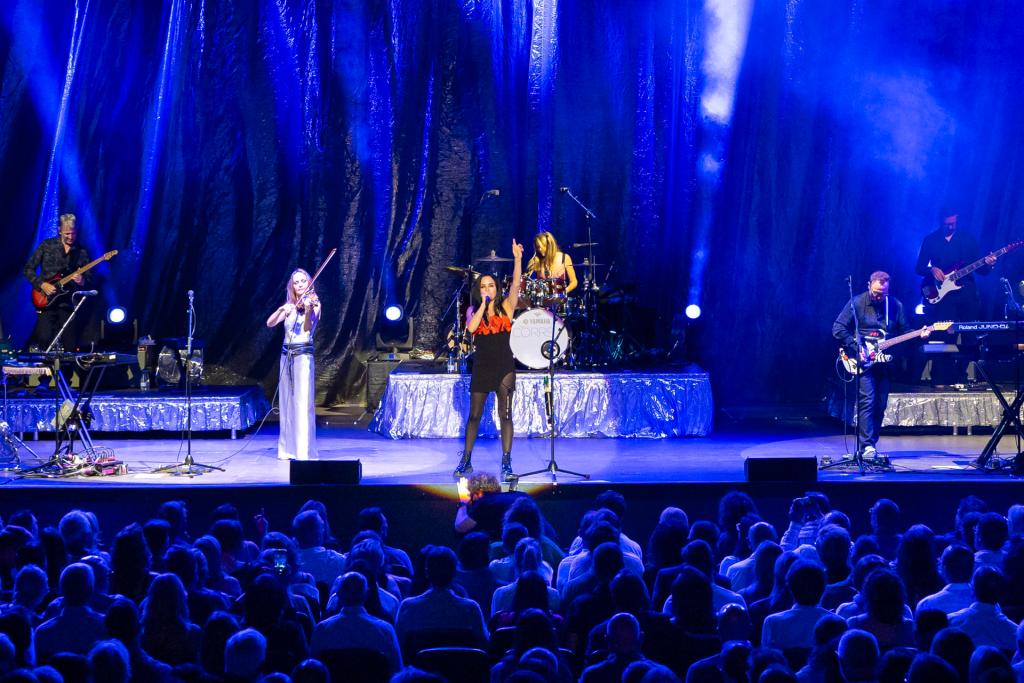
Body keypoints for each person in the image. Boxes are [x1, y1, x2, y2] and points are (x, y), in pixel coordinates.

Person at [832, 271, 928, 459]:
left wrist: (919, 335)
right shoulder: (857, 302)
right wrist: (855, 346)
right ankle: (866, 446)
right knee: (867, 400)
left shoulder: (894, 305)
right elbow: (838, 328)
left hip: (884, 363)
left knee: (880, 404)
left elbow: (904, 333)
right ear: (869, 285)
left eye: (882, 293)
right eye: (876, 292)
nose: (878, 296)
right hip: (862, 360)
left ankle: (870, 445)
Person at [453, 239, 523, 481]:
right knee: (474, 415)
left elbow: (516, 284)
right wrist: (483, 304)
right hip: (482, 367)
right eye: (483, 286)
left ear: (497, 288)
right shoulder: (474, 310)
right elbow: (472, 328)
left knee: (506, 414)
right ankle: (466, 460)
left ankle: (506, 462)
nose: (487, 289)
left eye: (491, 286)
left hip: (504, 366)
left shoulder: (507, 307)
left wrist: (517, 259)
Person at [915, 209, 997, 384]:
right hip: (944, 297)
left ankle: (963, 374)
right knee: (945, 334)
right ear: (940, 221)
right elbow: (919, 267)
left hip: (967, 294)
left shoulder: (968, 240)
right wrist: (932, 269)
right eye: (947, 223)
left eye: (953, 223)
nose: (950, 226)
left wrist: (989, 264)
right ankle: (944, 376)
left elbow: (981, 270)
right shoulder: (930, 240)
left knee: (969, 334)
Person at [267, 269, 321, 460]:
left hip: (303, 356)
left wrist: (307, 311)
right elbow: (270, 323)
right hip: (286, 357)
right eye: (296, 282)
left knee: (302, 402)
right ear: (292, 286)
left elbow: (307, 328)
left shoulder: (314, 304)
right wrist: (282, 309)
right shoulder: (290, 305)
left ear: (309, 283)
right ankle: (287, 449)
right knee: (287, 403)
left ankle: (303, 451)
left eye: (303, 281)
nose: (300, 285)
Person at [22, 213, 92, 351]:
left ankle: (65, 371)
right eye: (67, 234)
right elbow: (28, 269)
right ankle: (45, 371)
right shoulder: (46, 246)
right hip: (45, 301)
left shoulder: (81, 251)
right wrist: (42, 284)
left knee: (70, 343)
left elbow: (90, 280)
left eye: (73, 233)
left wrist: (82, 280)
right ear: (59, 230)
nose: (70, 237)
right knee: (44, 337)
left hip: (68, 303)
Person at [526, 231, 578, 302]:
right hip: (544, 303)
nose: (539, 250)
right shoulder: (538, 260)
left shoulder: (564, 258)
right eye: (537, 247)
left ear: (549, 245)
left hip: (560, 302)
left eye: (541, 246)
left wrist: (563, 292)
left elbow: (574, 281)